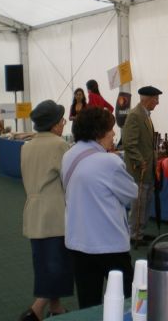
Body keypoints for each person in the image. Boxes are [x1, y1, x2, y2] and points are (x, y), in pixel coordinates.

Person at [62, 107, 138, 309]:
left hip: (78, 242)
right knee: (127, 302)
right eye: (110, 129)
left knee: (88, 304)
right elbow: (131, 193)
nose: (114, 133)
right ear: (98, 133)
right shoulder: (109, 162)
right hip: (109, 243)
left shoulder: (68, 155)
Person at [19, 100, 73, 321]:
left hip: (33, 211)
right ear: (53, 124)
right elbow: (68, 178)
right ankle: (35, 311)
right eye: (61, 120)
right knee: (58, 263)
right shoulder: (59, 145)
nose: (63, 123)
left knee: (43, 261)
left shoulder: (27, 146)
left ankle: (56, 307)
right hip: (55, 212)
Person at [122, 85, 162, 245]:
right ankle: (134, 234)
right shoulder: (135, 115)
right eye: (155, 99)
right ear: (146, 99)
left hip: (148, 168)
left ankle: (140, 232)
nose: (157, 102)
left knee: (145, 201)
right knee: (139, 203)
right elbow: (129, 143)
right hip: (139, 169)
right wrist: (141, 161)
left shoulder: (145, 115)